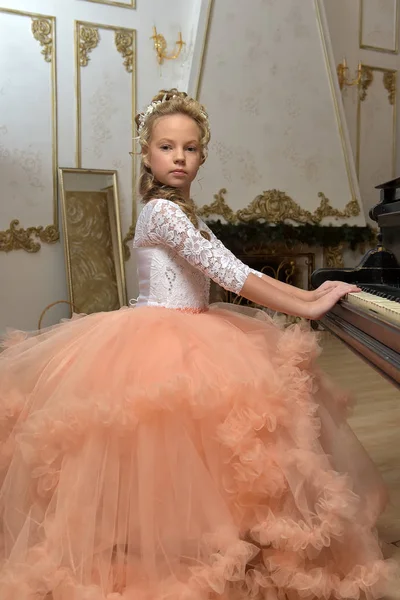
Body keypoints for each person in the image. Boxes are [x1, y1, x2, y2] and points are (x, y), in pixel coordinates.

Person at [0, 89, 397, 600]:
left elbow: (242, 268)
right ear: (146, 155)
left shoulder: (186, 213)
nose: (179, 157)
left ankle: (208, 538)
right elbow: (228, 274)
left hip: (199, 326)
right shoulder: (162, 214)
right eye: (167, 147)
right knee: (168, 450)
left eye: (189, 148)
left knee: (215, 453)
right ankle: (173, 551)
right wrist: (307, 307)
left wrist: (308, 293)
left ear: (202, 156)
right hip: (159, 339)